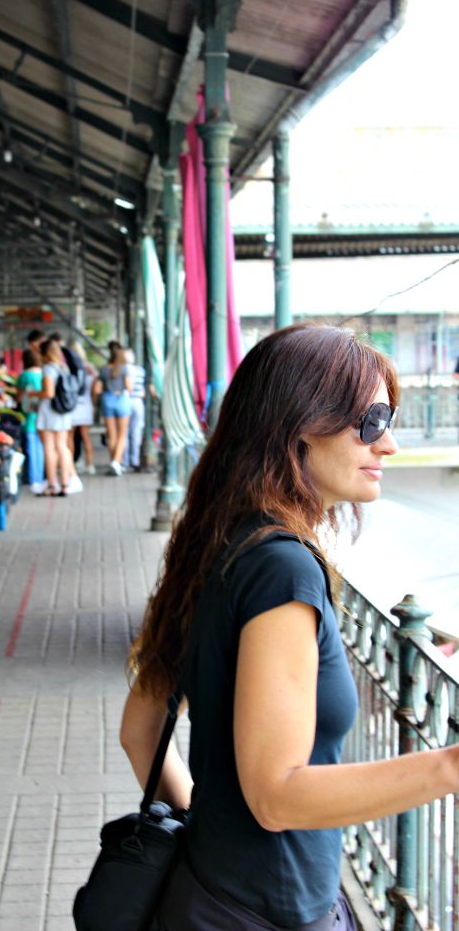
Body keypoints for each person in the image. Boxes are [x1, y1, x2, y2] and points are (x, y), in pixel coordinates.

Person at [119, 323, 459, 931]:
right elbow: (277, 798)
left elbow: (139, 730)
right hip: (271, 909)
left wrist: (212, 821)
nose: (390, 446)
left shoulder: (222, 540)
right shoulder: (283, 571)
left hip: (216, 889)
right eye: (373, 421)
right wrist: (448, 767)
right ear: (302, 421)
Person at [35, 339, 73, 496]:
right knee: (63, 447)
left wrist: (34, 393)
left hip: (50, 411)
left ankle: (52, 484)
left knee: (49, 449)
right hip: (63, 411)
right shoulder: (64, 368)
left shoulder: (49, 369)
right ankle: (65, 484)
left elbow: (49, 393)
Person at [93, 345, 133, 476]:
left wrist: (96, 402)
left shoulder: (104, 369)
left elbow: (96, 389)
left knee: (112, 435)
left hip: (107, 399)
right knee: (122, 434)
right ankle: (116, 461)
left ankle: (114, 463)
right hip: (121, 399)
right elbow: (129, 387)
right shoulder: (124, 369)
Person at [16, 349, 44, 492]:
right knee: (40, 447)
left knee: (30, 447)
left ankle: (32, 479)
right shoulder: (43, 373)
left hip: (28, 412)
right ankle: (40, 476)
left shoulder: (25, 375)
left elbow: (19, 396)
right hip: (42, 412)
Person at [69, 341, 96, 475]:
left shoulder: (69, 368)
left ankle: (72, 464)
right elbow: (94, 388)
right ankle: (90, 464)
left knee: (70, 437)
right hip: (86, 403)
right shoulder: (89, 368)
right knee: (86, 436)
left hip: (72, 405)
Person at [122, 348, 146, 472]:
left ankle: (125, 461)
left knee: (124, 432)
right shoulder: (141, 370)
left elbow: (127, 387)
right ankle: (135, 460)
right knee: (136, 431)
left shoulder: (122, 370)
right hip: (138, 402)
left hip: (125, 401)